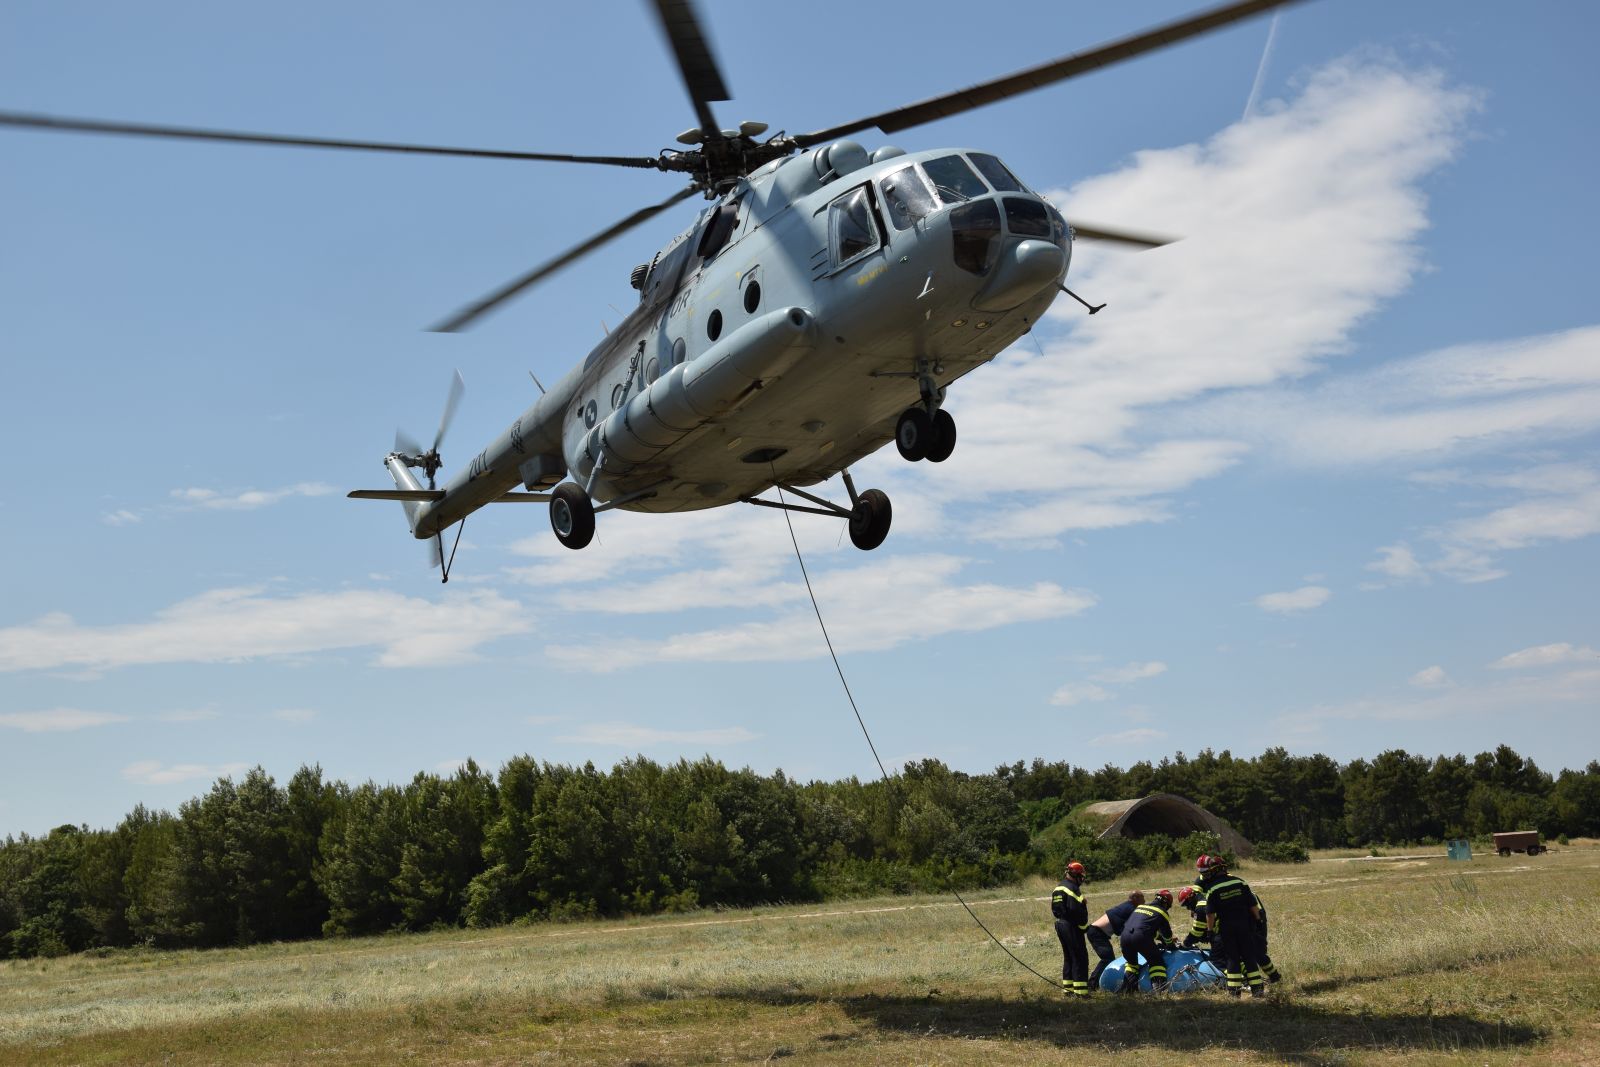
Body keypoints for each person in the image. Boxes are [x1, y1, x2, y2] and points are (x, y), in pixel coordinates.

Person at [1195, 853, 1267, 998]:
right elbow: (1253, 905)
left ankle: (1234, 994)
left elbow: (1210, 914)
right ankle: (1258, 991)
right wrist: (1259, 921)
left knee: (1232, 959)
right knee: (1249, 958)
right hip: (1245, 926)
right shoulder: (1240, 882)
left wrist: (1209, 931)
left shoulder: (1212, 889)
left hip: (1227, 929)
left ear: (1213, 870)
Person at [1118, 888, 1176, 992]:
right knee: (1156, 962)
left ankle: (1127, 990)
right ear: (1166, 903)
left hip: (1124, 936)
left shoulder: (1140, 907)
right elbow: (1167, 934)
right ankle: (1159, 990)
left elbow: (1143, 925)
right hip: (1141, 938)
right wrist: (1170, 945)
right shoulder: (1161, 912)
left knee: (1132, 964)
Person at [1087, 889, 1145, 989]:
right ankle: (1092, 984)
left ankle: (1094, 983)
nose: (1144, 901)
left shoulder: (1128, 906)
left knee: (1108, 958)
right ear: (1135, 898)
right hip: (1096, 933)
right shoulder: (1131, 908)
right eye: (1142, 898)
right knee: (1107, 959)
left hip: (1098, 933)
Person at [1051, 860, 1090, 998]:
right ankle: (1081, 993)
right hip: (1071, 926)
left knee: (1068, 957)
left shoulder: (1058, 888)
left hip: (1060, 924)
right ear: (1076, 875)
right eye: (1081, 876)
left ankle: (1068, 990)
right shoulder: (1073, 889)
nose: (1082, 879)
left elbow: (1055, 909)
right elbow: (1076, 911)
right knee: (1079, 957)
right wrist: (1084, 927)